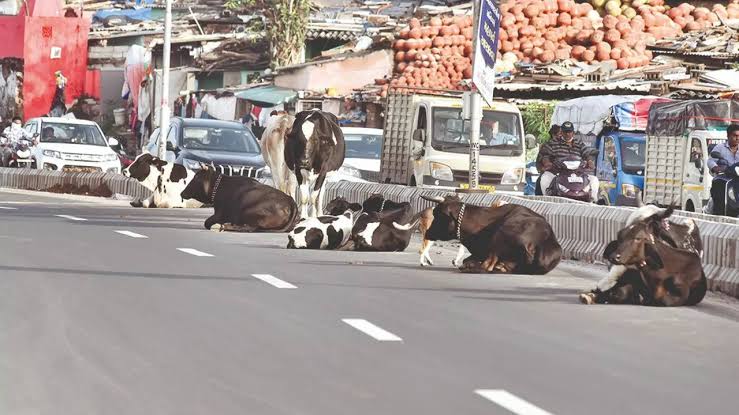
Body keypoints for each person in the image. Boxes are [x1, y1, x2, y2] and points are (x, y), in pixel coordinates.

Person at [536, 121, 600, 202]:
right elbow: (545, 154)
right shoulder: (553, 143)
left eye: (569, 132)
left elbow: (587, 153)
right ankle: (548, 201)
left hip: (577, 174)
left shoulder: (579, 143)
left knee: (594, 179)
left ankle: (593, 202)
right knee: (545, 177)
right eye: (565, 132)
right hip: (558, 173)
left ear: (573, 133)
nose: (567, 134)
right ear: (561, 132)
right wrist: (547, 162)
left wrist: (590, 161)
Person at [704, 123, 739, 214]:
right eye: (735, 135)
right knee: (717, 191)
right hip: (725, 177)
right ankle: (709, 210)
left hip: (737, 178)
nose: (737, 138)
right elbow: (710, 160)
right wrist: (716, 167)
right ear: (728, 135)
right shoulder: (720, 148)